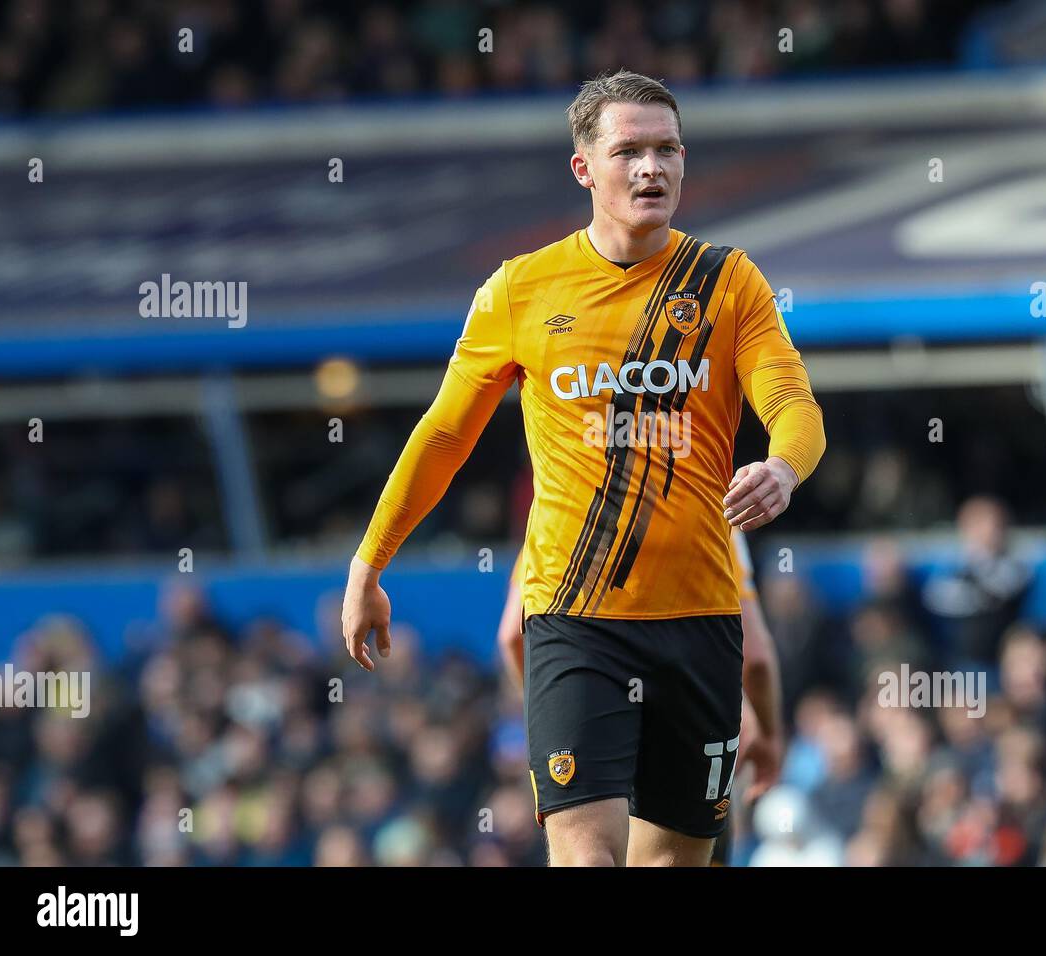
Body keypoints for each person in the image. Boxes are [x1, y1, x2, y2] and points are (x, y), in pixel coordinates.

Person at [343, 69, 824, 866]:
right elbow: (442, 436)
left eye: (668, 149)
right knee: (586, 857)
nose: (652, 168)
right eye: (630, 151)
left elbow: (795, 404)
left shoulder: (728, 281)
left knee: (670, 861)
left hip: (700, 617)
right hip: (575, 615)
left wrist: (783, 467)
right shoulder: (521, 290)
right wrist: (370, 561)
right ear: (584, 168)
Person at [496, 528, 785, 865]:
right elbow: (757, 659)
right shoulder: (712, 508)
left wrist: (551, 723)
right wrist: (769, 733)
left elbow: (510, 637)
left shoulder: (560, 508)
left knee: (586, 852)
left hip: (591, 724)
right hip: (691, 717)